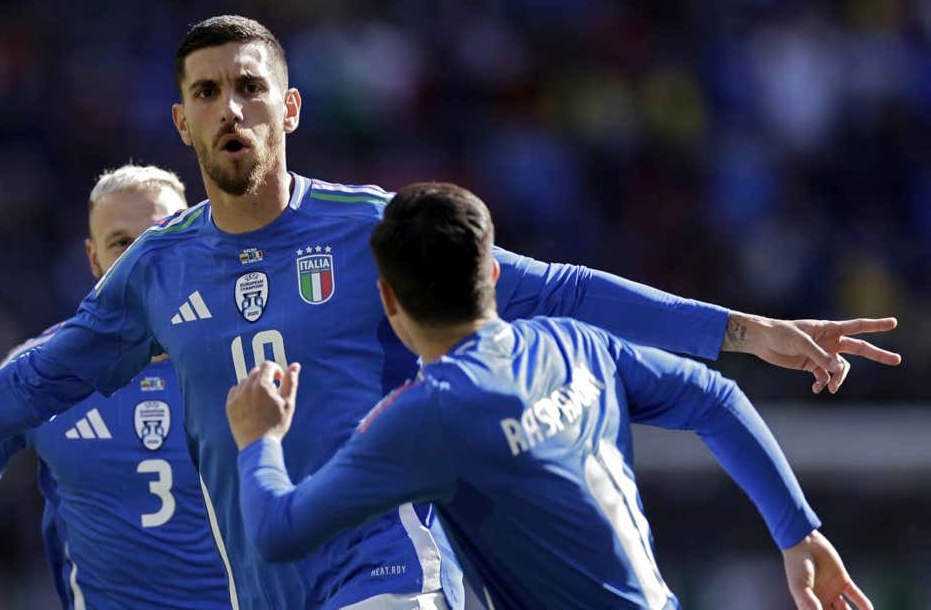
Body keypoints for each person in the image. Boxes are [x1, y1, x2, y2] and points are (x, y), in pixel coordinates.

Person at [0, 16, 900, 610]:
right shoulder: (154, 272)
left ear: (290, 105)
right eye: (208, 93)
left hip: (384, 560)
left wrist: (746, 331)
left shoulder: (370, 227)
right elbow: (34, 382)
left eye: (250, 86)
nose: (232, 107)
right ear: (184, 121)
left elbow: (553, 288)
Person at [226, 182, 874, 610]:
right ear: (496, 274)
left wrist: (259, 441)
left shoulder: (421, 418)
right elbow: (716, 399)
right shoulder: (577, 345)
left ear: (388, 300)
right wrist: (798, 532)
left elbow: (280, 534)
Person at [0, 165, 231, 609]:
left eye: (161, 233)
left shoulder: (248, 354)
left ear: (194, 242)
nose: (144, 256)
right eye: (122, 243)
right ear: (93, 260)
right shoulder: (41, 369)